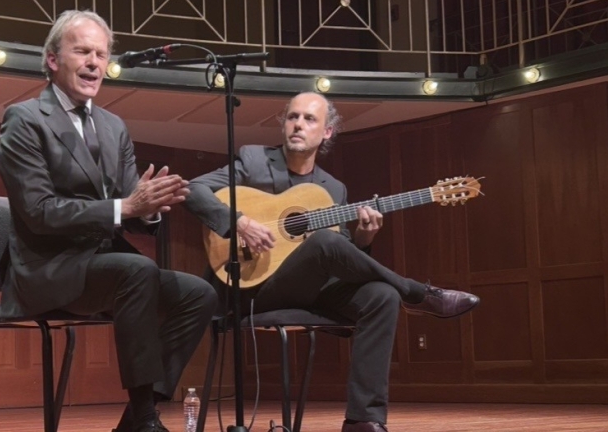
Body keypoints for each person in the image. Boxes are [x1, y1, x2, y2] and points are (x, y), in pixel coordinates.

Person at [183, 92, 480, 432]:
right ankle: (415, 292)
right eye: (292, 117)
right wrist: (238, 221)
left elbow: (344, 258)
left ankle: (363, 419)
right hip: (252, 289)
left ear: (327, 132)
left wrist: (364, 239)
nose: (298, 124)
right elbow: (194, 190)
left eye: (309, 119)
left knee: (381, 296)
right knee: (325, 243)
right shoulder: (253, 161)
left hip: (309, 289)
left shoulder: (332, 189)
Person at [0, 10, 218, 432]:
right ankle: (148, 422)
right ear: (52, 60)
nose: (95, 62)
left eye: (101, 53)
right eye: (82, 51)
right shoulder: (23, 120)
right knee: (136, 270)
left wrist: (150, 208)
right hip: (49, 267)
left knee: (200, 294)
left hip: (102, 264)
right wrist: (125, 208)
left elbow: (133, 207)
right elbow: (40, 212)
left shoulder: (114, 126)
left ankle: (134, 420)